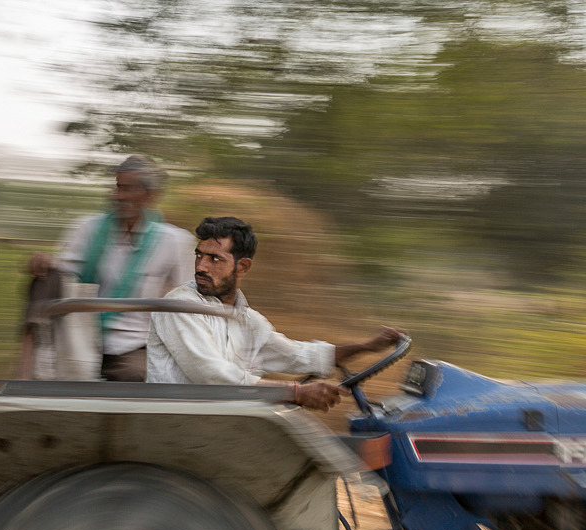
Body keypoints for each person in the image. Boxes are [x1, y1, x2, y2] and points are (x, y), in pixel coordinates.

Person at [146, 216, 405, 412]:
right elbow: (211, 374)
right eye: (199, 256)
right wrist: (296, 392)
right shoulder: (181, 305)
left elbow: (298, 355)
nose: (201, 266)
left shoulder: (246, 320)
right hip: (180, 421)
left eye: (214, 259)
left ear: (243, 266)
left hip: (219, 420)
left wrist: (368, 346)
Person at [23, 155, 193, 381]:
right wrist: (43, 262)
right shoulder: (88, 228)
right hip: (80, 338)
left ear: (150, 195)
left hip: (134, 344)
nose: (119, 196)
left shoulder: (175, 241)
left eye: (128, 189)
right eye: (117, 188)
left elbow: (189, 299)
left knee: (134, 378)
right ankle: (28, 370)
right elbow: (62, 273)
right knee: (45, 279)